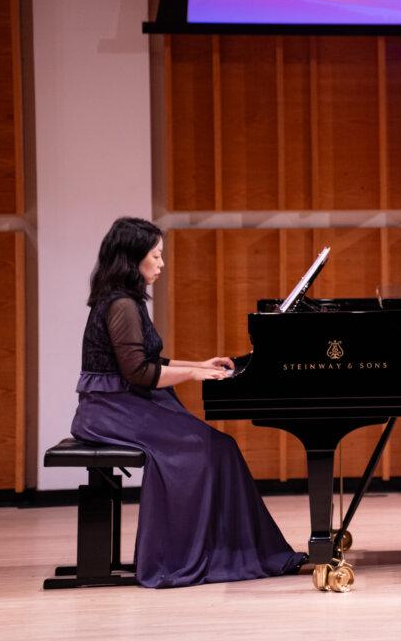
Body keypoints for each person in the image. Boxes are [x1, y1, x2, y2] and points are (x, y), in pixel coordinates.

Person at [70, 217, 306, 588]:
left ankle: (226, 550)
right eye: (156, 256)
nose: (161, 264)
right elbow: (139, 373)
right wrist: (194, 375)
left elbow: (149, 362)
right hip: (110, 411)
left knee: (219, 447)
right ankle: (185, 556)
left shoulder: (126, 301)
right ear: (132, 259)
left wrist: (200, 364)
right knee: (208, 449)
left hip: (120, 405)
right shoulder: (122, 306)